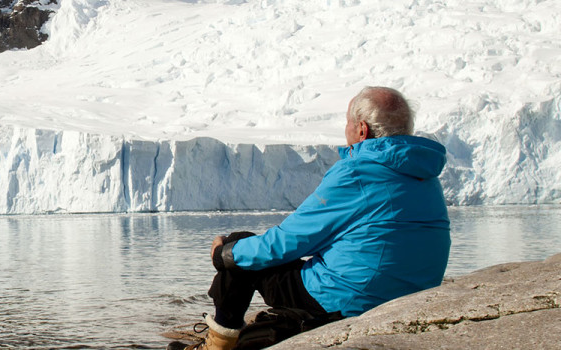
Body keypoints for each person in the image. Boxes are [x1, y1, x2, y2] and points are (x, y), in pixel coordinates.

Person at [168, 86, 451, 350]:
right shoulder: (424, 175)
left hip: (352, 301)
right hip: (409, 298)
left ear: (361, 130)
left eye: (348, 123)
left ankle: (218, 345)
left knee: (239, 249)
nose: (346, 130)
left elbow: (289, 241)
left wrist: (223, 255)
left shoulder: (357, 173)